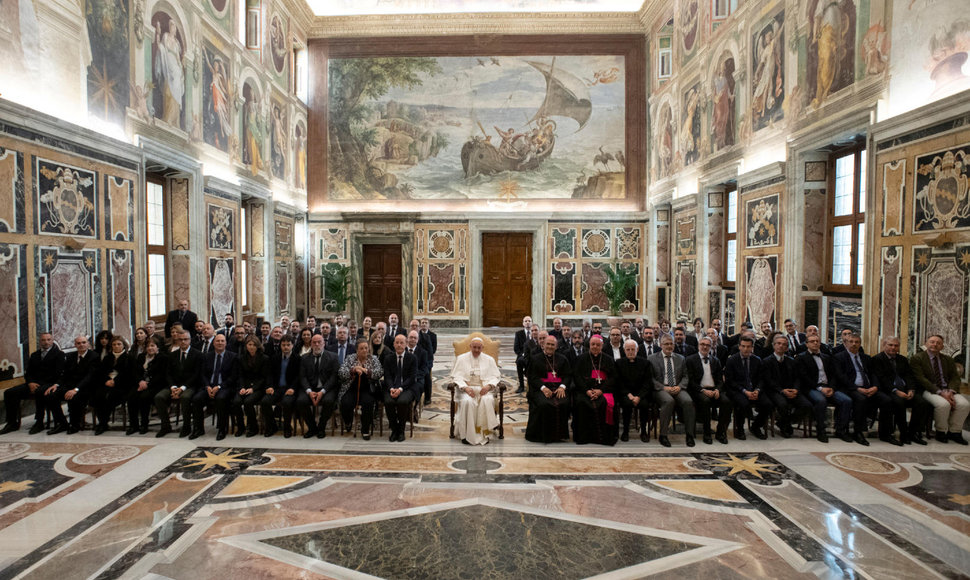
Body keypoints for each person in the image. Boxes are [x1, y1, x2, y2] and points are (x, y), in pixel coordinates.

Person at [833, 333, 890, 446]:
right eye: (851, 342)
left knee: (886, 400)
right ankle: (858, 432)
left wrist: (875, 386)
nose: (854, 344)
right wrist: (857, 389)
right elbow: (841, 377)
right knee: (861, 399)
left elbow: (873, 374)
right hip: (850, 388)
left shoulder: (866, 358)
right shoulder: (839, 357)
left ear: (860, 344)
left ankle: (885, 433)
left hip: (869, 388)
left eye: (857, 342)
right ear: (846, 343)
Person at [910, 334, 969, 444]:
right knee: (943, 405)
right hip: (928, 390)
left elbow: (955, 378)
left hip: (948, 390)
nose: (935, 345)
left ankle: (954, 432)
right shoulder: (917, 358)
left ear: (942, 346)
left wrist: (950, 391)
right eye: (932, 342)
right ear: (926, 343)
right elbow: (921, 379)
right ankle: (941, 432)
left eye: (938, 343)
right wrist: (940, 392)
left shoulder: (948, 359)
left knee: (964, 404)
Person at [1, 332, 63, 435]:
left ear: (52, 341)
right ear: (40, 342)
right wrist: (30, 383)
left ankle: (39, 422)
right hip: (32, 383)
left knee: (39, 392)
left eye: (48, 340)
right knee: (9, 392)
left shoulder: (59, 355)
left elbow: (57, 373)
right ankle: (12, 423)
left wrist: (39, 384)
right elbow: (28, 372)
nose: (46, 342)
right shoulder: (34, 355)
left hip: (48, 383)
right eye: (43, 340)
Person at [871, 336, 930, 445]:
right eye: (890, 345)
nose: (893, 347)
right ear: (884, 345)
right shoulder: (877, 359)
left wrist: (911, 389)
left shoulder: (902, 359)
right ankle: (902, 434)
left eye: (896, 345)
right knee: (899, 402)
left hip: (905, 390)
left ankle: (913, 433)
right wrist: (896, 391)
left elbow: (909, 376)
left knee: (921, 402)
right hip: (888, 391)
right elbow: (882, 379)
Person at [760, 333, 813, 439]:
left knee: (807, 405)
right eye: (778, 343)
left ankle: (784, 422)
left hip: (792, 390)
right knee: (782, 404)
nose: (781, 346)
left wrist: (796, 389)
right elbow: (768, 381)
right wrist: (782, 390)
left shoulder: (791, 361)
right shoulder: (766, 361)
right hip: (775, 391)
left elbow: (797, 378)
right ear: (774, 345)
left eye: (784, 344)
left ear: (787, 347)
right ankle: (785, 427)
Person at [450, 337, 501, 445]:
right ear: (470, 347)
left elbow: (496, 376)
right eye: (474, 347)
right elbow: (456, 377)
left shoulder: (489, 359)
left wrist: (488, 386)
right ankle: (466, 435)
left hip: (484, 389)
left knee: (487, 400)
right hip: (466, 390)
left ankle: (484, 433)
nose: (476, 350)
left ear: (482, 348)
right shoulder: (461, 359)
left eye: (479, 348)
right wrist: (465, 387)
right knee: (467, 402)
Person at [647, 335, 695, 447]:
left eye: (671, 343)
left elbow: (685, 376)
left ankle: (689, 435)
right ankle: (663, 435)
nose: (669, 346)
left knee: (688, 402)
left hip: (677, 387)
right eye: (666, 344)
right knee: (668, 401)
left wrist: (680, 386)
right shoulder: (652, 358)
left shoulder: (681, 358)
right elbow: (651, 378)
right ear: (660, 345)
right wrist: (664, 388)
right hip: (661, 389)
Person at [153, 330, 203, 438]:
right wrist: (173, 387)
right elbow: (168, 373)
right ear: (177, 340)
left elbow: (196, 375)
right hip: (174, 385)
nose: (183, 342)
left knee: (185, 397)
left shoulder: (197, 354)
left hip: (190, 386)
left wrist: (182, 388)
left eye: (186, 339)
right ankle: (165, 426)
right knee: (159, 397)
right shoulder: (172, 355)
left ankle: (186, 426)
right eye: (181, 339)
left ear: (190, 340)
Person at [44, 336, 98, 435]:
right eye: (78, 343)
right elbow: (64, 374)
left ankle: (75, 424)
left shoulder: (94, 356)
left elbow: (89, 376)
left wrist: (76, 389)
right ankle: (62, 423)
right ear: (75, 345)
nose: (81, 345)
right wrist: (56, 384)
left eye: (83, 342)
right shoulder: (70, 356)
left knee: (74, 398)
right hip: (69, 385)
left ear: (88, 344)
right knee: (50, 395)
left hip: (85, 387)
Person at [572, 335, 618, 446]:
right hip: (585, 391)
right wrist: (587, 391)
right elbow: (577, 377)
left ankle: (604, 438)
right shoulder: (581, 359)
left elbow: (613, 378)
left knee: (603, 404)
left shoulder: (609, 359)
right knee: (582, 403)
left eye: (598, 345)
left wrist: (601, 391)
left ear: (602, 346)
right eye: (593, 344)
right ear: (589, 345)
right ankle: (584, 437)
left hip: (603, 391)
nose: (595, 347)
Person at [525, 335, 573, 443]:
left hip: (558, 389)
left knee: (564, 403)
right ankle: (543, 435)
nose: (550, 347)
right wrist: (543, 388)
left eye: (552, 345)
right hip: (540, 389)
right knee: (544, 404)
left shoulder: (563, 359)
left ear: (556, 346)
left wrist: (562, 387)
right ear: (543, 345)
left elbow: (568, 375)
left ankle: (560, 435)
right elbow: (532, 377)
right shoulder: (535, 358)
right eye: (548, 344)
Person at [686, 337, 732, 444]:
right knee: (705, 402)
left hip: (714, 389)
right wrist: (702, 390)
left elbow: (720, 380)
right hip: (698, 390)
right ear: (698, 345)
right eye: (702, 344)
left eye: (707, 345)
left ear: (711, 347)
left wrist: (717, 390)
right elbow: (690, 381)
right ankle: (707, 433)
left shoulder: (715, 360)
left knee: (727, 402)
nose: (705, 346)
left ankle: (720, 432)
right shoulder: (690, 359)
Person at [724, 335, 771, 440]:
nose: (746, 349)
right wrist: (745, 391)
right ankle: (740, 428)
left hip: (754, 389)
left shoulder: (757, 360)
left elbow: (762, 379)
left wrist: (757, 390)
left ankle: (756, 426)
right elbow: (730, 381)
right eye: (743, 346)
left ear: (752, 348)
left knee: (767, 404)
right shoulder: (732, 360)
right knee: (743, 403)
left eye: (748, 347)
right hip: (738, 390)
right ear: (739, 347)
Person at [192, 333, 236, 440]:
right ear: (214, 343)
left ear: (226, 343)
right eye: (217, 341)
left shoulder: (233, 356)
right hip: (209, 386)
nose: (220, 343)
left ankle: (222, 429)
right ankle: (198, 429)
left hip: (224, 387)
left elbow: (233, 377)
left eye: (222, 341)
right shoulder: (207, 356)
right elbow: (202, 374)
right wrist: (207, 386)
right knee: (197, 399)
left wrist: (219, 387)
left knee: (221, 399)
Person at [338, 340, 384, 440]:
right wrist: (353, 370)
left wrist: (366, 371)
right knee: (345, 403)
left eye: (366, 348)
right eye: (361, 348)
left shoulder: (374, 358)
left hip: (368, 389)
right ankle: (348, 421)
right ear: (357, 350)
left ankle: (365, 430)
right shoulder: (350, 358)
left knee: (368, 403)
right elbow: (341, 372)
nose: (364, 350)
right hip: (351, 389)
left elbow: (380, 372)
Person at [297, 334, 339, 439]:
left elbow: (334, 377)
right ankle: (312, 427)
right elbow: (302, 377)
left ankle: (321, 426)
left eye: (319, 342)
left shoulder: (333, 357)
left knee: (329, 401)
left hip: (327, 388)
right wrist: (309, 391)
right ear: (311, 344)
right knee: (301, 401)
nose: (317, 345)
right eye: (314, 342)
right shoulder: (304, 358)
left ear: (324, 344)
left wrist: (322, 391)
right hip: (310, 388)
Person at [92, 336, 131, 435]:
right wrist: (107, 380)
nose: (116, 346)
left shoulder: (128, 358)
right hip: (107, 383)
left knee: (110, 398)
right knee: (97, 396)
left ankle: (103, 423)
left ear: (123, 345)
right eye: (114, 344)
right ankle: (103, 422)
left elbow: (127, 374)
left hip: (121, 385)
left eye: (119, 344)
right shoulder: (107, 358)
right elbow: (101, 372)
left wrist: (115, 381)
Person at [262, 334, 300, 438]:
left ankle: (287, 428)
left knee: (287, 403)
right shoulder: (275, 358)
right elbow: (269, 374)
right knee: (265, 402)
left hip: (290, 389)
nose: (286, 347)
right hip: (276, 388)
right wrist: (269, 386)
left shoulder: (297, 358)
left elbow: (298, 376)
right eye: (283, 345)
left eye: (288, 345)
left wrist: (293, 388)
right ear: (280, 346)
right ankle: (272, 426)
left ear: (292, 345)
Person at [616, 339, 652, 442]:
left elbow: (647, 383)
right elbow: (619, 382)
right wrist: (629, 395)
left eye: (633, 349)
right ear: (624, 350)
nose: (630, 352)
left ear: (637, 349)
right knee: (626, 404)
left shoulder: (645, 363)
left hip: (641, 394)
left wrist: (639, 396)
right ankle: (625, 431)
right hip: (626, 394)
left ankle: (644, 432)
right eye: (628, 349)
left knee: (644, 404)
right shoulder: (619, 363)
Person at [383, 335, 417, 442]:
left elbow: (412, 378)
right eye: (397, 342)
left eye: (401, 343)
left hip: (407, 388)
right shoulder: (388, 358)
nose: (399, 345)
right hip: (391, 388)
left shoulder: (412, 358)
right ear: (393, 344)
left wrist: (400, 389)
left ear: (406, 344)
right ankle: (394, 430)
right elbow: (387, 376)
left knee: (402, 401)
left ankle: (401, 431)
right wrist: (392, 388)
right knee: (388, 402)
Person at [233, 337, 269, 437]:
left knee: (248, 402)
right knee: (236, 402)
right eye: (249, 345)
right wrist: (242, 387)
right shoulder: (241, 358)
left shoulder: (264, 358)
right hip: (244, 386)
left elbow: (263, 377)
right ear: (246, 346)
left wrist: (253, 389)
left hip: (258, 388)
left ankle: (254, 427)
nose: (251, 347)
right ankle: (241, 427)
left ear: (258, 346)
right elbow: (240, 375)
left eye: (254, 345)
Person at [128, 340, 164, 435]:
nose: (150, 348)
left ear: (157, 347)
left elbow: (161, 375)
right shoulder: (141, 357)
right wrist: (140, 381)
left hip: (155, 385)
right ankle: (133, 425)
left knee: (144, 397)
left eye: (153, 345)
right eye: (148, 346)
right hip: (141, 384)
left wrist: (147, 384)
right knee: (131, 396)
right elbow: (135, 372)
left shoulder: (162, 358)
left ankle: (144, 424)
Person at [405, 330, 431, 411]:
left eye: (415, 338)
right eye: (411, 337)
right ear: (407, 338)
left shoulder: (423, 352)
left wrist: (413, 376)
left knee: (416, 388)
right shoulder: (402, 350)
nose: (413, 339)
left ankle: (414, 407)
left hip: (417, 378)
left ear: (418, 340)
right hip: (403, 378)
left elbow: (424, 369)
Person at [513, 315, 534, 393]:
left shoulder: (535, 332)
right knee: (519, 362)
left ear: (532, 323)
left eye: (529, 321)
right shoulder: (518, 334)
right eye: (526, 321)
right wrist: (523, 354)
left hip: (534, 355)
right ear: (523, 323)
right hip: (523, 355)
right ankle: (521, 385)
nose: (528, 323)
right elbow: (516, 348)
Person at [420, 318, 438, 404]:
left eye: (425, 323)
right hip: (418, 360)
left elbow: (433, 350)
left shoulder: (433, 335)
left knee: (427, 377)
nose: (424, 324)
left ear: (428, 325)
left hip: (428, 360)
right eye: (422, 322)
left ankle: (428, 397)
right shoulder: (417, 334)